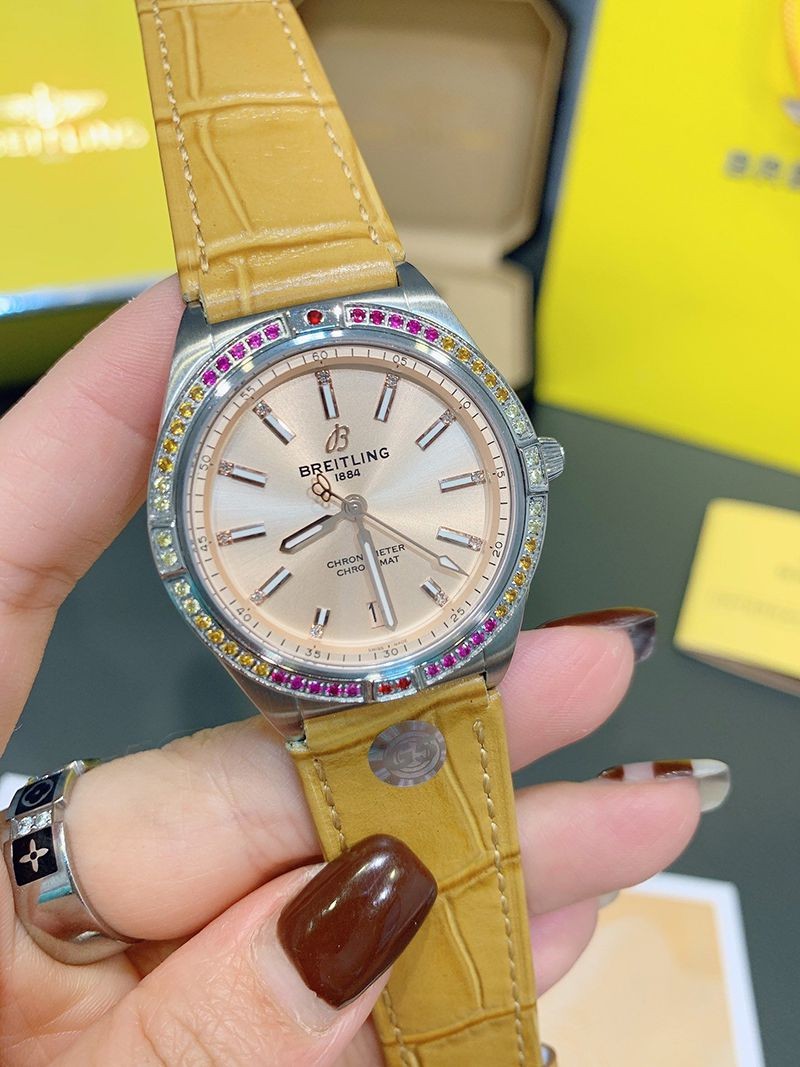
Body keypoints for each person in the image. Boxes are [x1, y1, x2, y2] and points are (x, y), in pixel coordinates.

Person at [0, 278, 729, 1065]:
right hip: (321, 681)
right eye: (336, 499)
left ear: (528, 464)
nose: (353, 504)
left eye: (362, 496)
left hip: (446, 641)